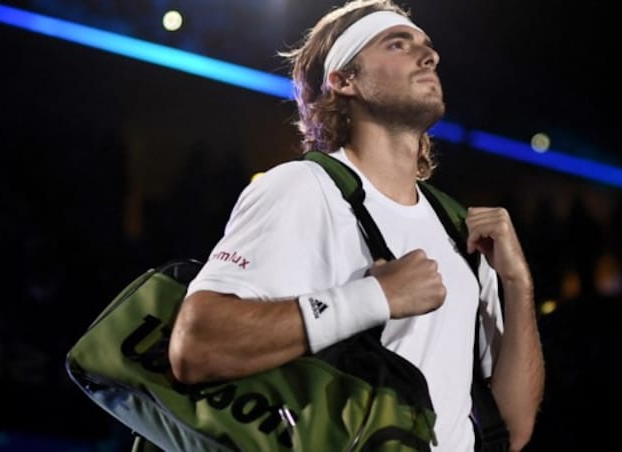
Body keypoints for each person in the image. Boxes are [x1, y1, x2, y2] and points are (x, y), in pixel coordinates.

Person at [168, 1, 545, 450]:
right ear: (344, 80)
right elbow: (196, 346)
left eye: (427, 46)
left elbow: (511, 430)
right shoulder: (303, 188)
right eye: (398, 43)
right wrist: (374, 297)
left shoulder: (459, 229)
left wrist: (517, 284)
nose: (430, 56)